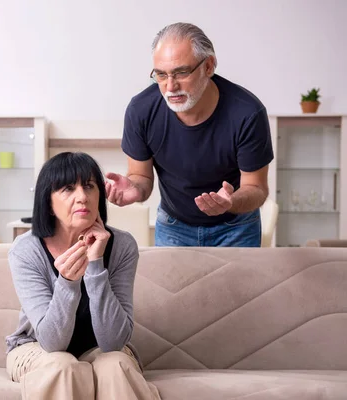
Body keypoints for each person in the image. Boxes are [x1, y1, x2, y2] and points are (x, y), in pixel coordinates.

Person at [5, 151, 160, 400]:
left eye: (89, 186)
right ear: (48, 201)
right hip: (35, 347)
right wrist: (67, 282)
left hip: (101, 348)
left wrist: (96, 265)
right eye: (68, 188)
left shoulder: (122, 245)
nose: (82, 197)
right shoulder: (26, 249)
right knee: (63, 366)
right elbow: (52, 343)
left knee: (115, 365)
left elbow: (113, 342)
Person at [105, 22, 274, 247]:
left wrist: (230, 202)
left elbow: (257, 189)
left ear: (208, 66)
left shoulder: (247, 113)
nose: (170, 86)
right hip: (174, 227)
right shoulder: (141, 110)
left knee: (237, 285)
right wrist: (135, 189)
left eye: (181, 72)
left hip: (237, 227)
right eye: (161, 75)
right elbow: (142, 177)